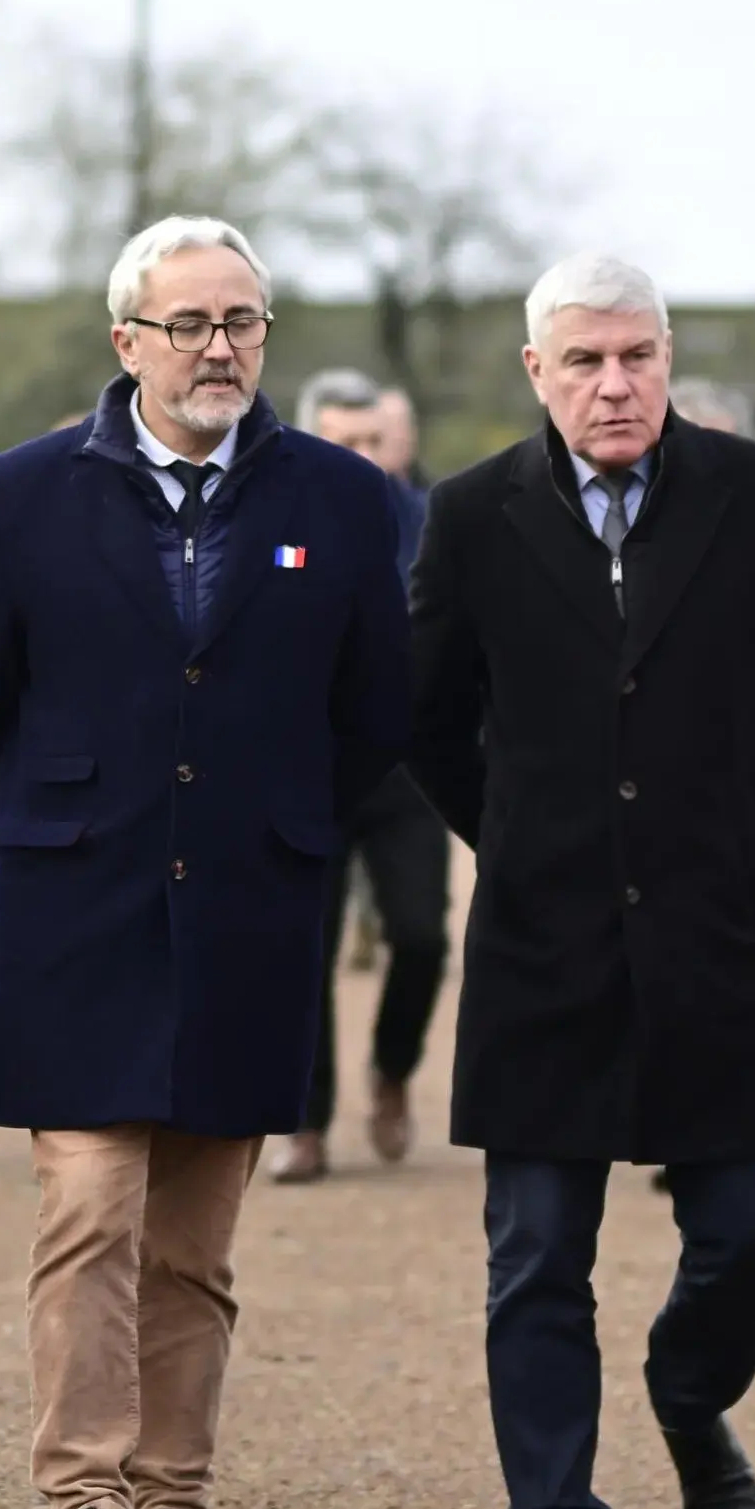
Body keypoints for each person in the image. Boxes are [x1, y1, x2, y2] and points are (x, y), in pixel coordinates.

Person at [0, 217, 410, 1509]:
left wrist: (277, 814)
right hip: (75, 907)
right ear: (125, 340)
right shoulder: (21, 497)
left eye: (243, 322)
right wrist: (62, 812)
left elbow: (373, 709)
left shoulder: (339, 495)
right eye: (190, 323)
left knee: (195, 1248)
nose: (219, 349)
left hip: (251, 907)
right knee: (88, 1212)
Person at [407, 255, 755, 1509]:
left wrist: (735, 841)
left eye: (636, 356)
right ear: (534, 374)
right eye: (585, 362)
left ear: (664, 359)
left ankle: (687, 1394)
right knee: (534, 1256)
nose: (615, 385)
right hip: (540, 949)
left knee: (743, 1233)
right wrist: (522, 841)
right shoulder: (472, 516)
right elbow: (425, 721)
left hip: (717, 941)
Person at [286, 368, 444, 1178]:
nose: (360, 456)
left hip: (406, 770)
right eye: (342, 442)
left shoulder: (437, 525)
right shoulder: (272, 521)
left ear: (396, 443)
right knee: (302, 949)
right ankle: (304, 1123)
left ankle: (392, 1069)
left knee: (420, 937)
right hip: (301, 769)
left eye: (373, 441)